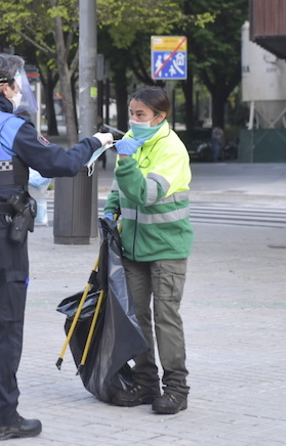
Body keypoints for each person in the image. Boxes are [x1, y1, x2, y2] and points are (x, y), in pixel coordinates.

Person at [0, 53, 113, 441]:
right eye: (17, 83)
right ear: (5, 87)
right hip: (2, 235)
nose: (19, 91)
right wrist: (94, 142)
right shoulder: (13, 127)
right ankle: (2, 420)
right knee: (5, 324)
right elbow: (59, 164)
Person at [103, 86, 193, 415]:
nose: (133, 120)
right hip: (133, 247)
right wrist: (110, 210)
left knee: (165, 318)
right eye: (131, 113)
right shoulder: (133, 138)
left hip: (167, 247)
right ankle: (146, 383)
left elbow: (144, 194)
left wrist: (125, 160)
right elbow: (120, 189)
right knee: (136, 318)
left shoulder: (172, 150)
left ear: (160, 116)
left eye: (140, 115)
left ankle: (177, 388)